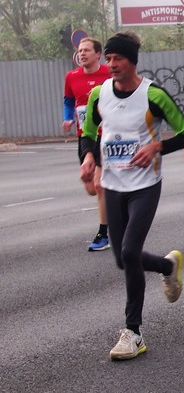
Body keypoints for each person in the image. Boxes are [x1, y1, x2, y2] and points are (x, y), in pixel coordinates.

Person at [79, 32, 184, 360]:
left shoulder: (153, 95)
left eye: (117, 59)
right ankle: (167, 266)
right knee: (121, 258)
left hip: (144, 184)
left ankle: (133, 332)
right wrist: (88, 159)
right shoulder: (99, 94)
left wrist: (158, 145)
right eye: (108, 59)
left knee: (128, 251)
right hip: (112, 185)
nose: (111, 64)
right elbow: (86, 133)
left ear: (132, 61)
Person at [64, 37, 112, 251]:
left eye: (86, 50)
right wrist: (67, 118)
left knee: (100, 185)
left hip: (106, 135)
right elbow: (67, 100)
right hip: (85, 135)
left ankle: (104, 234)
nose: (82, 54)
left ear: (97, 54)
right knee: (91, 187)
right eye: (80, 51)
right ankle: (116, 199)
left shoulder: (108, 74)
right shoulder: (71, 76)